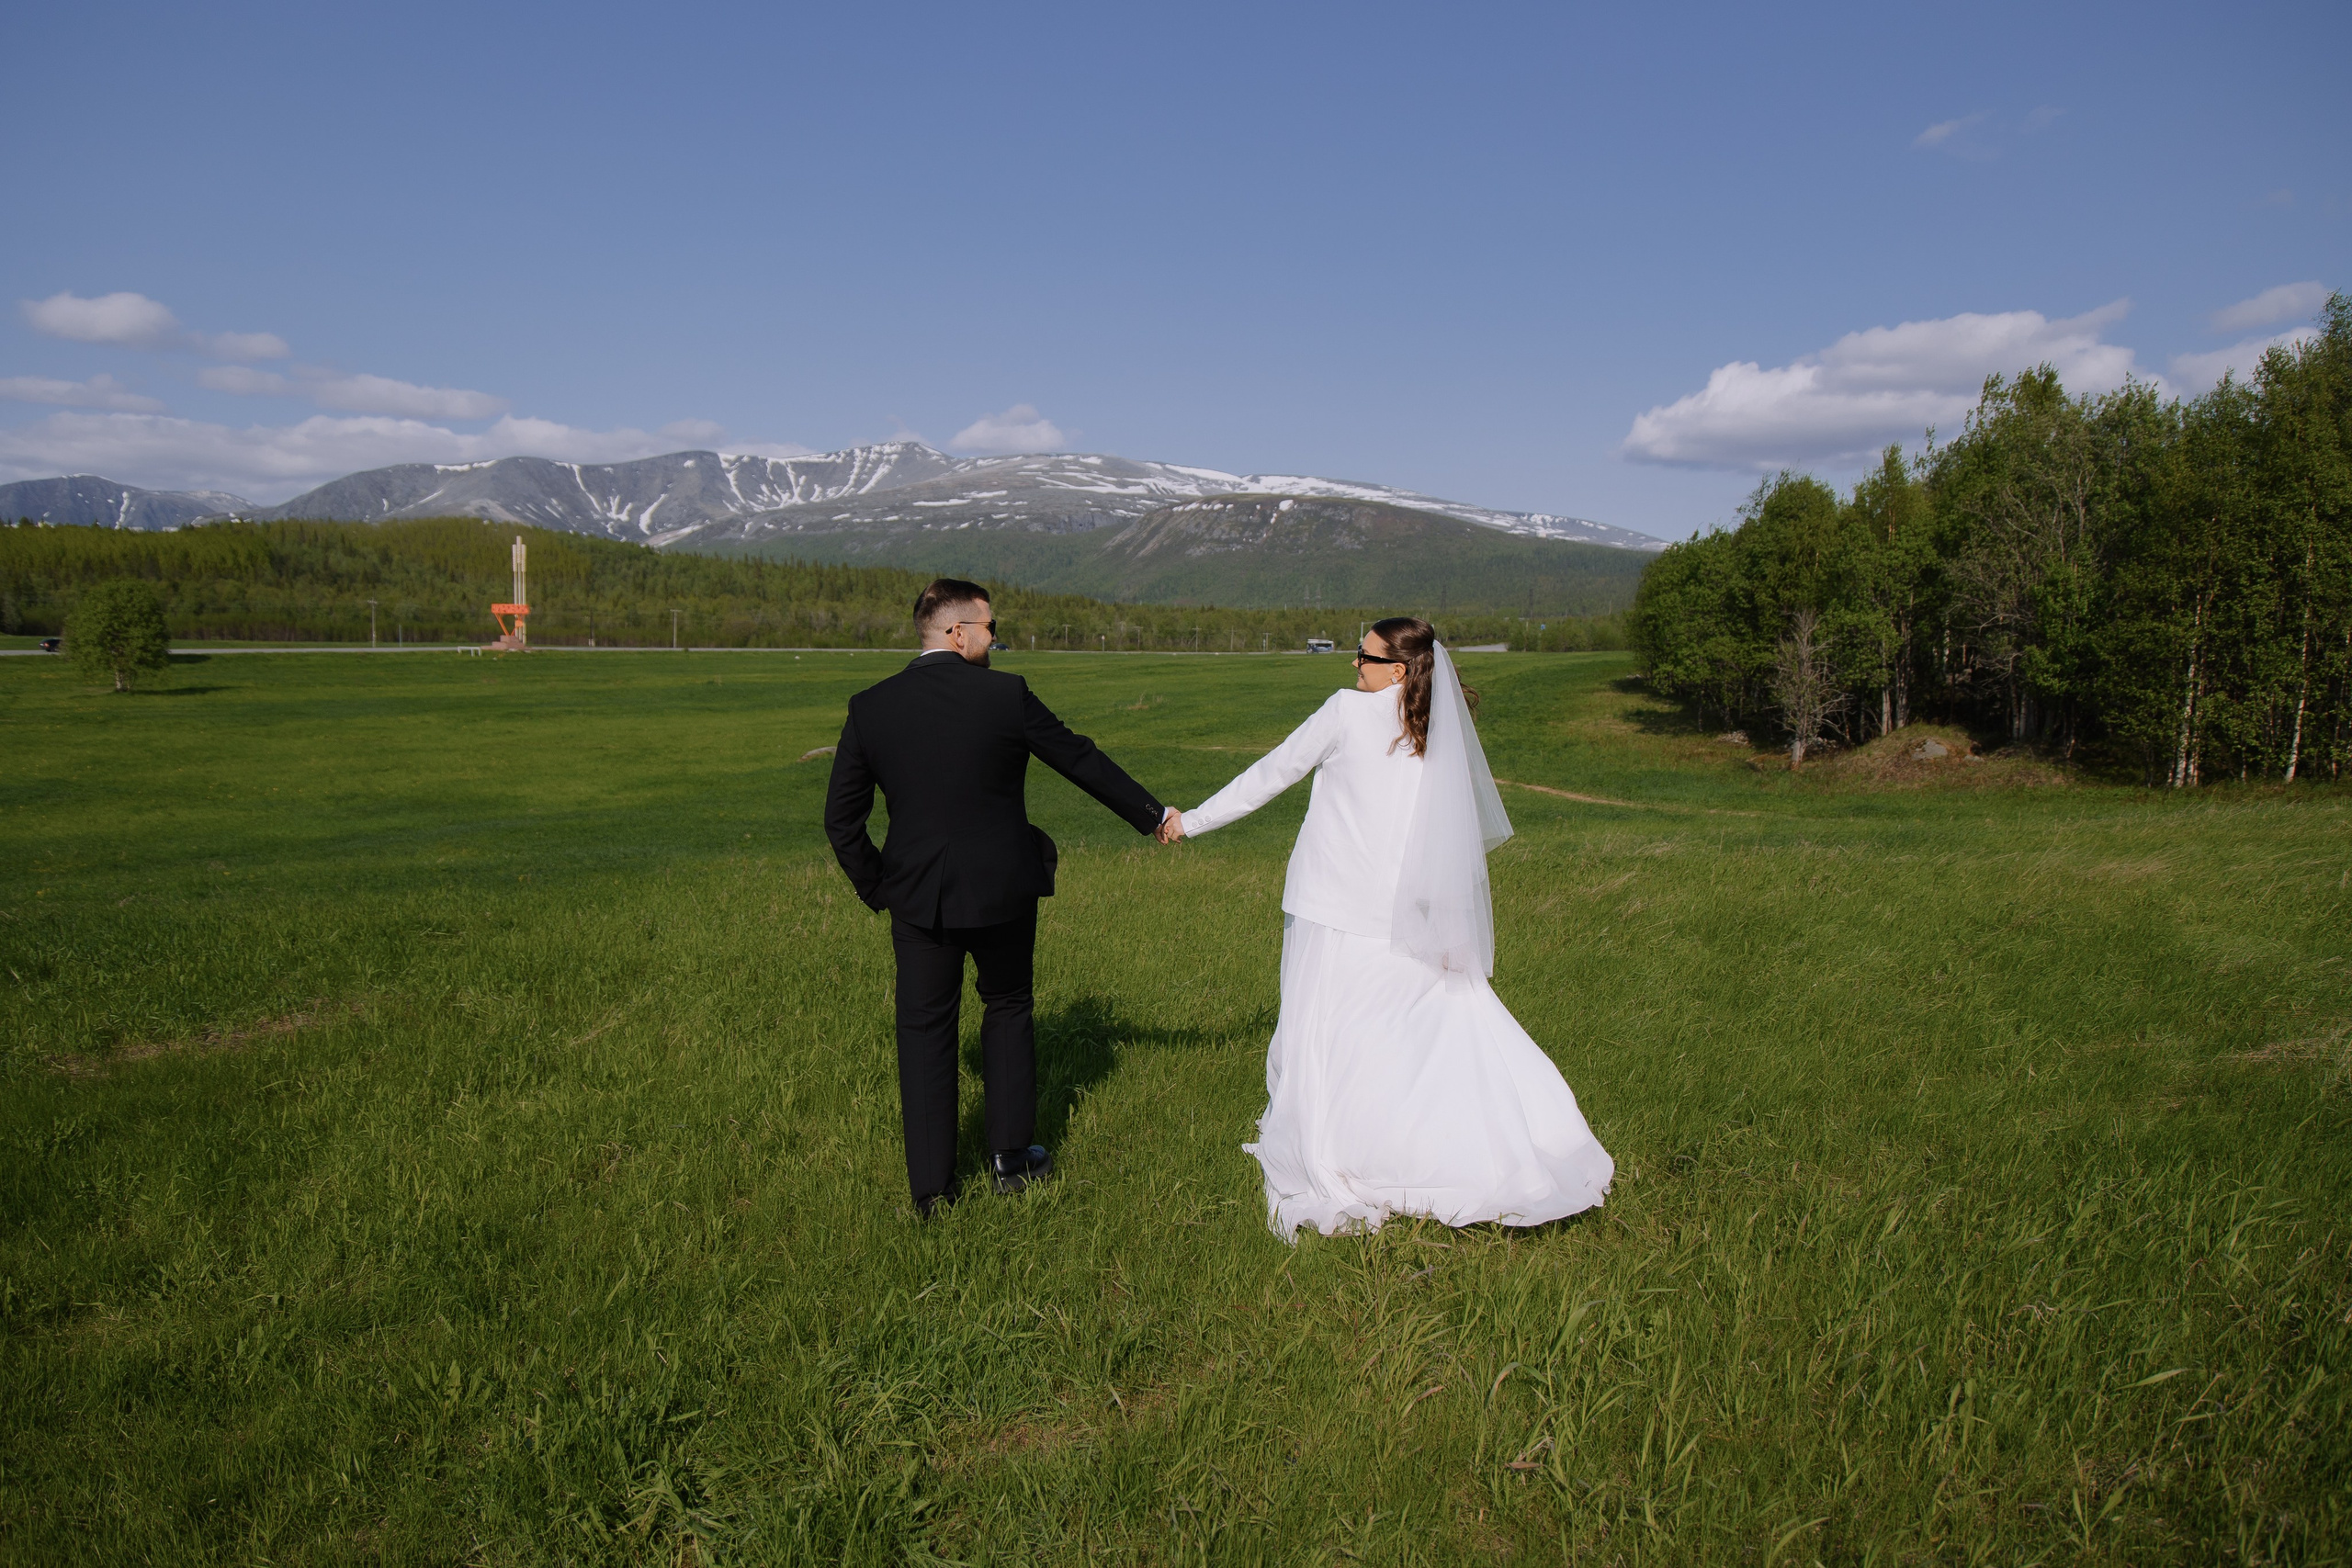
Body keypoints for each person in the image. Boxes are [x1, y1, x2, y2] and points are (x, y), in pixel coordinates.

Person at [1159, 616, 1612, 1240]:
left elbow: (1271, 774)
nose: (1353, 665)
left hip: (1328, 905)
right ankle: (1456, 1142)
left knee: (1323, 1029)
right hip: (1399, 912)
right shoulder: (1433, 733)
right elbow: (1445, 842)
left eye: (1363, 656)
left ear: (1397, 670)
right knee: (1395, 1032)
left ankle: (1348, 1145)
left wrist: (1194, 821)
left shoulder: (1346, 713)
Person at [825, 578, 1175, 1216]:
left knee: (925, 1030)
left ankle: (932, 1191)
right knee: (1008, 1006)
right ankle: (1011, 1162)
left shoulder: (871, 706)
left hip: (918, 900)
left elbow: (840, 822)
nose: (997, 636)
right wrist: (1152, 814)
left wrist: (882, 886)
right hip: (1003, 890)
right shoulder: (1005, 694)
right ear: (957, 633)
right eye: (991, 626)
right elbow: (1079, 758)